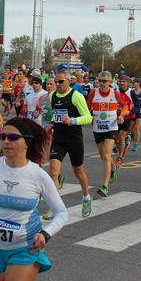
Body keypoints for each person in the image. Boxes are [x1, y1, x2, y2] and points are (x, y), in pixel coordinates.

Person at [0, 117, 69, 281]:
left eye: (13, 137)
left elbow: (61, 213)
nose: (6, 141)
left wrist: (46, 234)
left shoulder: (37, 175)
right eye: (3, 136)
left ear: (27, 141)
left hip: (25, 249)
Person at [44, 69, 93, 220]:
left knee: (79, 172)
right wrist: (52, 124)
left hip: (74, 139)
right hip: (58, 139)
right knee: (53, 171)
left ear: (68, 81)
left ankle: (86, 197)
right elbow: (56, 115)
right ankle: (55, 206)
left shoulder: (76, 96)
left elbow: (88, 117)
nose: (57, 85)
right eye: (55, 82)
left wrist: (72, 121)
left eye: (60, 82)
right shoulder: (52, 96)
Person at [87, 71, 128, 197]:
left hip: (111, 128)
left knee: (106, 155)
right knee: (103, 156)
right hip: (97, 128)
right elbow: (87, 107)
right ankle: (114, 167)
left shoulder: (114, 93)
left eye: (104, 81)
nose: (102, 83)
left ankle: (105, 186)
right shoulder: (93, 93)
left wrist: (121, 115)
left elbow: (124, 105)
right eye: (100, 81)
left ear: (110, 82)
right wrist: (88, 116)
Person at [130, 78, 141, 152]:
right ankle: (132, 134)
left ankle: (136, 145)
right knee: (131, 128)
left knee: (137, 127)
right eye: (133, 83)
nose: (133, 84)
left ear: (138, 83)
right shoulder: (131, 91)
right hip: (133, 110)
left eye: (135, 82)